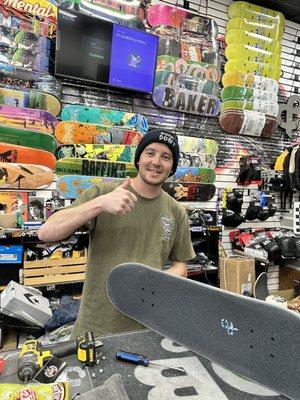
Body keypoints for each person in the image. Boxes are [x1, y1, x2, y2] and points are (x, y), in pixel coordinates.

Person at [38, 129, 196, 338]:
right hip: (96, 326)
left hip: (146, 325)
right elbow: (46, 232)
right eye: (150, 153)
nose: (156, 162)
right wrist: (100, 204)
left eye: (166, 157)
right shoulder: (105, 193)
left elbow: (180, 266)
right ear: (138, 159)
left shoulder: (176, 211)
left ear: (172, 167)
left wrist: (151, 280)